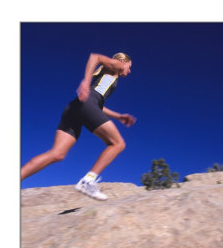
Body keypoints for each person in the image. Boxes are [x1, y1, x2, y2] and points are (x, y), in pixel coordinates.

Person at [21, 52, 136, 200]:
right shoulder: (117, 65)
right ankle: (88, 181)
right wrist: (85, 83)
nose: (129, 70)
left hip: (76, 107)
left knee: (57, 154)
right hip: (87, 103)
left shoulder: (106, 78)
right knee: (118, 144)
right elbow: (95, 57)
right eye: (130, 66)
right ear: (122, 61)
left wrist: (119, 116)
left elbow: (97, 106)